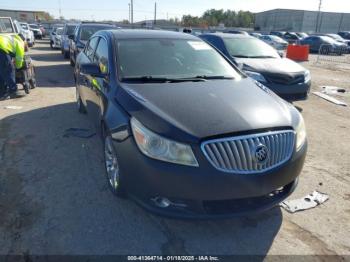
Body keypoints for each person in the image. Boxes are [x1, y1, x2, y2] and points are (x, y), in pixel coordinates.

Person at [0, 34, 25, 98]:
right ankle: (13, 91)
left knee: (2, 72)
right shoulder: (20, 42)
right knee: (9, 70)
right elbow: (19, 58)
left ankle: (2, 92)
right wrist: (18, 67)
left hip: (2, 49)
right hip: (1, 50)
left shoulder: (9, 37)